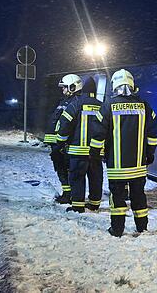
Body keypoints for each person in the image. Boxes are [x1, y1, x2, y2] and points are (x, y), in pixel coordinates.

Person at [93, 69, 157, 237]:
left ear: (114, 85)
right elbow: (152, 132)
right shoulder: (144, 105)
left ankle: (117, 229)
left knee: (118, 198)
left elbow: (98, 134)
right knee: (139, 196)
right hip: (138, 165)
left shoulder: (108, 105)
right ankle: (142, 227)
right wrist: (150, 153)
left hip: (117, 166)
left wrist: (95, 153)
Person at [56, 76, 105, 213]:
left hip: (77, 152)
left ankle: (78, 206)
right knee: (96, 177)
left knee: (77, 178)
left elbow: (65, 124)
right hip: (96, 151)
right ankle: (95, 203)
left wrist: (60, 141)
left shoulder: (76, 104)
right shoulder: (102, 105)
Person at [44, 74, 81, 204]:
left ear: (73, 87)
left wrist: (61, 142)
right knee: (60, 168)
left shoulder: (75, 103)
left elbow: (68, 125)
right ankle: (67, 192)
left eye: (65, 87)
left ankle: (68, 194)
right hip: (57, 143)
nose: (63, 90)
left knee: (66, 169)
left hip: (63, 144)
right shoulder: (66, 101)